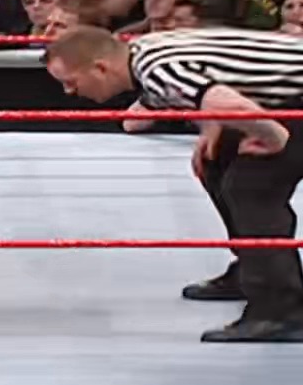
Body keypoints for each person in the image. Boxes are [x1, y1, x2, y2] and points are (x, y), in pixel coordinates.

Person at [43, 26, 303, 343]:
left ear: (100, 67)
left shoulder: (157, 69)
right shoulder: (141, 55)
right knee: (215, 159)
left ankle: (282, 311)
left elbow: (227, 101)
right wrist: (213, 127)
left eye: (71, 82)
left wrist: (273, 138)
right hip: (286, 94)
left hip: (294, 97)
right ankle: (255, 269)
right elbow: (214, 82)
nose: (70, 92)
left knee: (250, 186)